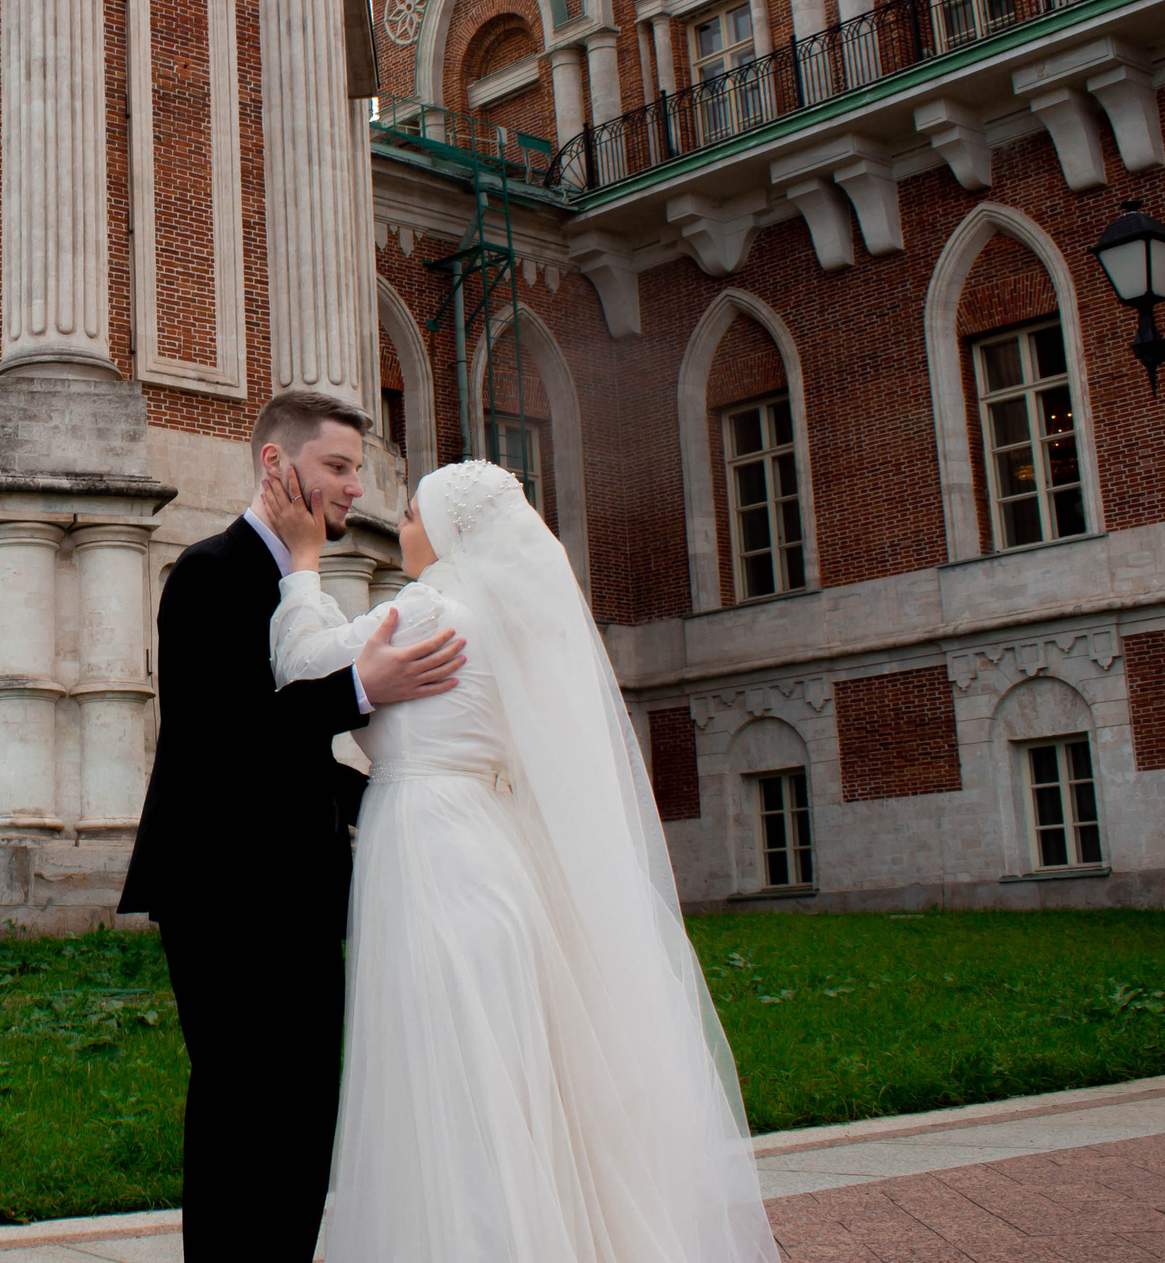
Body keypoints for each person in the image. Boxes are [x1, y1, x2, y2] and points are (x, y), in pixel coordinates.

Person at [263, 458, 780, 1263]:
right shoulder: (515, 624)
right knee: (498, 1072)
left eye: (411, 514)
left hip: (432, 852)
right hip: (491, 853)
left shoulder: (432, 607)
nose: (399, 526)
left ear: (450, 531)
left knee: (444, 1074)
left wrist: (301, 567)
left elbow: (307, 662)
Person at [119, 390, 468, 1263]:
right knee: (244, 1122)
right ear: (278, 467)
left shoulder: (301, 584)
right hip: (223, 894)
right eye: (339, 467)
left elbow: (303, 764)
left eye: (359, 468)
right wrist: (359, 691)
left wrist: (417, 805)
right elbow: (223, 740)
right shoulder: (206, 573)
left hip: (308, 897)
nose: (358, 488)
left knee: (306, 1126)